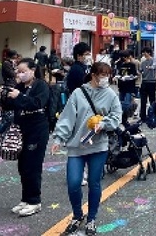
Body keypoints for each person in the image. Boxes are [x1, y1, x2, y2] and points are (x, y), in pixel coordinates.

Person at [51, 62, 122, 235]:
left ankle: (91, 218)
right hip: (77, 145)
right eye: (102, 75)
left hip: (99, 145)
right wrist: (59, 138)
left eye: (108, 75)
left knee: (94, 182)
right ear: (93, 75)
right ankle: (77, 215)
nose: (106, 79)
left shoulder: (111, 94)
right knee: (73, 182)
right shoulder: (78, 93)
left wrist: (103, 124)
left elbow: (117, 117)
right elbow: (67, 117)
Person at [3, 58, 50, 217]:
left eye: (23, 71)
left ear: (33, 70)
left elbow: (37, 103)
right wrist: (6, 95)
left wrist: (19, 97)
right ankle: (25, 198)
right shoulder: (19, 86)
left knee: (32, 165)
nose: (20, 74)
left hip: (37, 130)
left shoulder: (41, 85)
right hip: (21, 129)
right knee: (22, 165)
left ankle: (34, 201)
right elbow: (10, 105)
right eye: (18, 71)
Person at [139, 47, 156, 123]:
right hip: (144, 82)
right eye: (143, 53)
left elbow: (154, 67)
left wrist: (149, 67)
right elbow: (140, 71)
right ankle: (143, 117)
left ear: (149, 53)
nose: (144, 54)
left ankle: (153, 115)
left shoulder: (153, 60)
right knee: (143, 100)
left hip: (152, 82)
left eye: (145, 52)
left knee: (152, 100)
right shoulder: (142, 62)